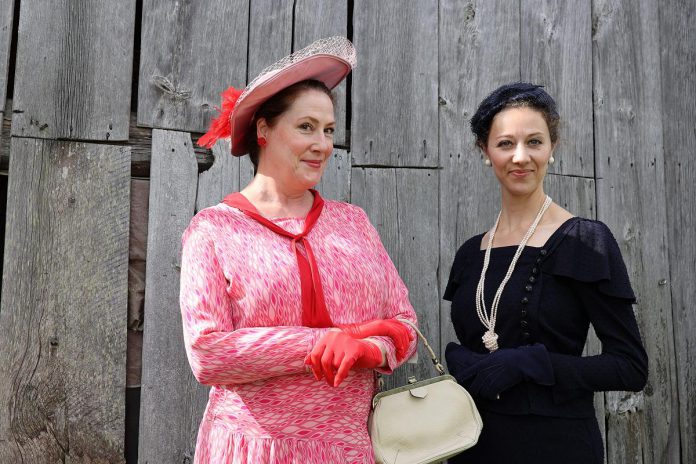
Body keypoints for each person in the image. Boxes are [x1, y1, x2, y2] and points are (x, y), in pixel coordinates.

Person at [179, 37, 418, 464]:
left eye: (328, 130)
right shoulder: (214, 229)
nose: (322, 144)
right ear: (264, 129)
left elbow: (404, 327)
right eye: (306, 127)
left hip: (345, 449)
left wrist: (367, 349)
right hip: (250, 449)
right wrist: (319, 343)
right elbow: (207, 354)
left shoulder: (353, 223)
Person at [443, 82, 648, 463]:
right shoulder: (472, 254)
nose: (520, 157)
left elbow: (630, 367)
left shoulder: (584, 241)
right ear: (484, 151)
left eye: (534, 142)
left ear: (552, 148)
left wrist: (529, 363)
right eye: (505, 143)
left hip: (556, 445)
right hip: (472, 444)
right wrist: (463, 363)